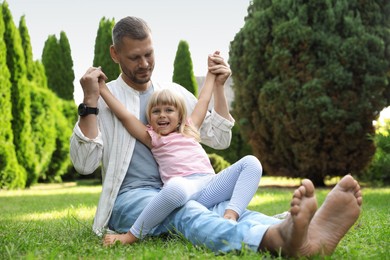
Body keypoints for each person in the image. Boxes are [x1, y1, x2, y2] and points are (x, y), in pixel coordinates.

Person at [70, 16, 362, 257]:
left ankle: (302, 234)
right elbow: (84, 165)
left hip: (192, 186)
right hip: (133, 198)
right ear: (115, 54)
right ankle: (273, 238)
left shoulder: (172, 94)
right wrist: (91, 102)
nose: (145, 64)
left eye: (149, 54)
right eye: (135, 58)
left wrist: (219, 86)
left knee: (220, 208)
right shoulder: (104, 101)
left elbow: (219, 139)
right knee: (184, 209)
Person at [98, 51, 262, 245]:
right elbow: (126, 116)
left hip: (209, 184)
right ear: (150, 118)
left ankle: (231, 215)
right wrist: (102, 89)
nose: (162, 115)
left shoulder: (190, 129)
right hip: (185, 188)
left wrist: (211, 74)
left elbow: (203, 100)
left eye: (169, 110)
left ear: (180, 115)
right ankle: (132, 235)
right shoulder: (153, 137)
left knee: (251, 163)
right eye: (156, 111)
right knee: (174, 187)